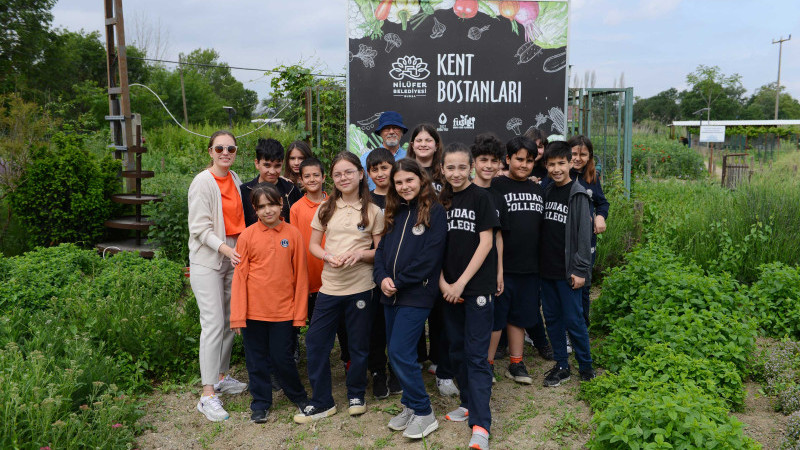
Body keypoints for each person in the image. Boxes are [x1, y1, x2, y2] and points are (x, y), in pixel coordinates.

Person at [294, 151, 384, 424]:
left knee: (357, 345)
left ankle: (356, 394)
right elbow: (313, 245)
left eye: (348, 172)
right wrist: (327, 257)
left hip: (360, 286)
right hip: (329, 287)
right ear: (331, 179)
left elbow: (379, 251)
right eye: (337, 174)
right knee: (316, 342)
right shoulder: (325, 208)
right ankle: (322, 401)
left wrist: (360, 255)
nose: (343, 177)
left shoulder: (373, 211)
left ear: (360, 174)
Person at [374, 158, 447, 440]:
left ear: (421, 180)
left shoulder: (435, 211)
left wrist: (400, 281)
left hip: (416, 293)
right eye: (399, 182)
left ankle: (424, 412)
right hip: (389, 294)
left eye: (409, 180)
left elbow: (430, 257)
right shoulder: (394, 212)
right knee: (394, 352)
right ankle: (409, 406)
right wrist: (381, 279)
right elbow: (380, 252)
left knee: (402, 352)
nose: (404, 186)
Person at [230, 183, 310, 423]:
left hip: (283, 313)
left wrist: (299, 314)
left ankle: (299, 396)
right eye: (261, 206)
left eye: (271, 204)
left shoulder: (293, 235)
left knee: (282, 358)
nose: (267, 211)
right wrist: (237, 315)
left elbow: (302, 277)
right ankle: (261, 403)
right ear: (255, 209)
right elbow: (240, 277)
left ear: (281, 204)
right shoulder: (247, 236)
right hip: (253, 314)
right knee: (256, 361)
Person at [438, 143, 498, 450]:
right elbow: (433, 246)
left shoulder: (482, 197)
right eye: (451, 168)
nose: (457, 173)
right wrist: (443, 283)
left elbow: (486, 243)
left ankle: (481, 425)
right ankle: (468, 404)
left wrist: (461, 283)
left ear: (471, 167)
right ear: (443, 170)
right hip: (448, 290)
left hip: (475, 290)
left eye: (462, 167)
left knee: (476, 357)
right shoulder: (441, 201)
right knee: (457, 351)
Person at [188, 130, 248, 422]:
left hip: (232, 256)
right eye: (220, 148)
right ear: (210, 151)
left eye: (231, 148)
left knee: (228, 320)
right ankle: (207, 393)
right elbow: (199, 228)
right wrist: (225, 248)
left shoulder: (235, 179)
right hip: (209, 259)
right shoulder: (202, 182)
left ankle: (221, 376)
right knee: (212, 322)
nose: (226, 152)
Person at [488, 136, 546, 385]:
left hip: (530, 267)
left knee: (519, 318)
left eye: (529, 160)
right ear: (508, 159)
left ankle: (516, 363)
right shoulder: (496, 186)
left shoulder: (537, 188)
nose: (524, 164)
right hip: (502, 268)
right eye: (519, 159)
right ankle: (486, 364)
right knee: (495, 319)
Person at [539, 141, 595, 387]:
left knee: (574, 319)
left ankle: (586, 366)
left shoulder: (578, 194)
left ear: (570, 163)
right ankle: (562, 364)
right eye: (551, 164)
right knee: (552, 318)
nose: (556, 169)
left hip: (569, 272)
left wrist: (580, 270)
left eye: (561, 163)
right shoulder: (548, 191)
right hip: (547, 269)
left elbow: (584, 236)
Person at [406, 123, 455, 396]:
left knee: (440, 312)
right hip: (413, 248)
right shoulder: (403, 169)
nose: (423, 144)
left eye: (429, 140)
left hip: (441, 246)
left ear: (437, 145)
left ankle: (441, 366)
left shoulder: (444, 173)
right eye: (418, 139)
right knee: (412, 309)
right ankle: (412, 363)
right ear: (411, 144)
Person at [364, 148, 404, 399]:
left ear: (393, 168)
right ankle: (377, 371)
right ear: (368, 173)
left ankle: (397, 369)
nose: (380, 173)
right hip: (372, 272)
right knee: (375, 325)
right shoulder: (365, 200)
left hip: (401, 272)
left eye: (384, 168)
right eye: (375, 169)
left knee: (399, 326)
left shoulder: (402, 197)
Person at [566, 135, 609, 328]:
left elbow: (602, 202)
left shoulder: (592, 178)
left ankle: (582, 326)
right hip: (563, 241)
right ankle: (566, 326)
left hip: (586, 242)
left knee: (584, 285)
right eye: (574, 153)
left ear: (590, 156)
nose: (577, 158)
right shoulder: (560, 176)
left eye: (583, 154)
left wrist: (600, 216)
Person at [240, 138, 302, 225]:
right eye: (267, 165)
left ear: (282, 163)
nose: (272, 171)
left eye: (277, 166)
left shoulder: (290, 190)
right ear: (257, 163)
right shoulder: (244, 191)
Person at [359, 111, 408, 190]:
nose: (391, 132)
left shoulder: (410, 157)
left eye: (395, 128)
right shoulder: (365, 159)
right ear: (380, 133)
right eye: (387, 129)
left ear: (402, 132)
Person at [406, 123, 445, 193]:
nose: (423, 144)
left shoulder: (445, 172)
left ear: (436, 146)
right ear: (412, 146)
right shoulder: (404, 171)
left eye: (428, 140)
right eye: (419, 140)